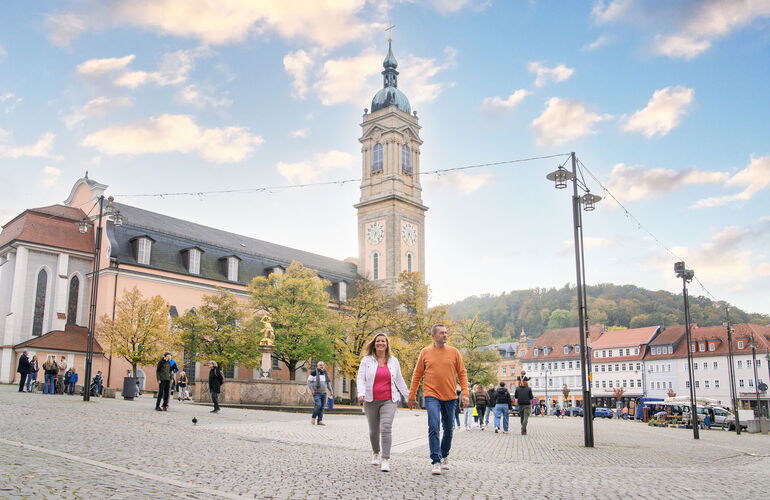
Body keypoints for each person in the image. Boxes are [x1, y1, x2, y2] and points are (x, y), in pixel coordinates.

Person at [408, 323, 469, 476]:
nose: (445, 335)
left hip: (450, 396)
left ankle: (444, 454)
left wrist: (465, 393)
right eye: (442, 333)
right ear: (433, 335)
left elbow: (462, 373)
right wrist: (411, 395)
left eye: (446, 332)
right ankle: (436, 460)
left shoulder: (454, 352)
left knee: (449, 429)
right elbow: (417, 375)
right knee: (434, 425)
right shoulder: (425, 352)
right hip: (431, 394)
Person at [356, 333, 410, 472]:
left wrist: (408, 396)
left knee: (386, 427)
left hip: (389, 400)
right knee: (374, 431)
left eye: (383, 341)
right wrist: (360, 393)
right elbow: (360, 378)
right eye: (378, 341)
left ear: (387, 344)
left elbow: (399, 380)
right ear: (374, 344)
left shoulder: (393, 361)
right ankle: (375, 452)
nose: (381, 343)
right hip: (370, 399)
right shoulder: (367, 360)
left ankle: (385, 459)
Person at [307, 361, 334, 425]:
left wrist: (331, 391)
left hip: (324, 393)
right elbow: (309, 382)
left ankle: (319, 421)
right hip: (316, 393)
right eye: (320, 365)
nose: (322, 366)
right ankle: (313, 417)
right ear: (317, 366)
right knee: (318, 405)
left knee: (322, 407)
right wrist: (312, 389)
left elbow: (328, 383)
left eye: (322, 365)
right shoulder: (313, 373)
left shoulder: (325, 373)